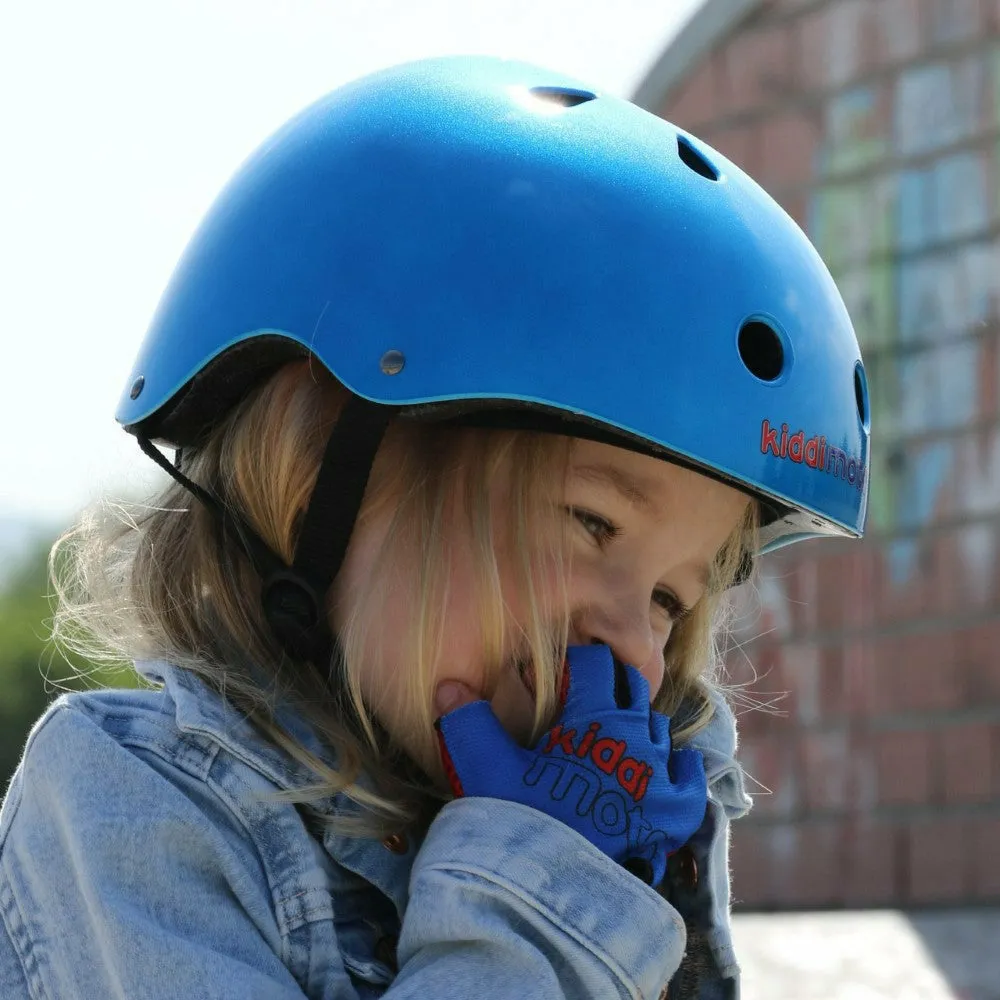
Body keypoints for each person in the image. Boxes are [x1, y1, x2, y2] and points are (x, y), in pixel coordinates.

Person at [0, 56, 869, 999]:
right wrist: (541, 898)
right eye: (590, 522)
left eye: (670, 599)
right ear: (311, 477)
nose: (636, 652)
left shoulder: (630, 825)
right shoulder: (132, 806)